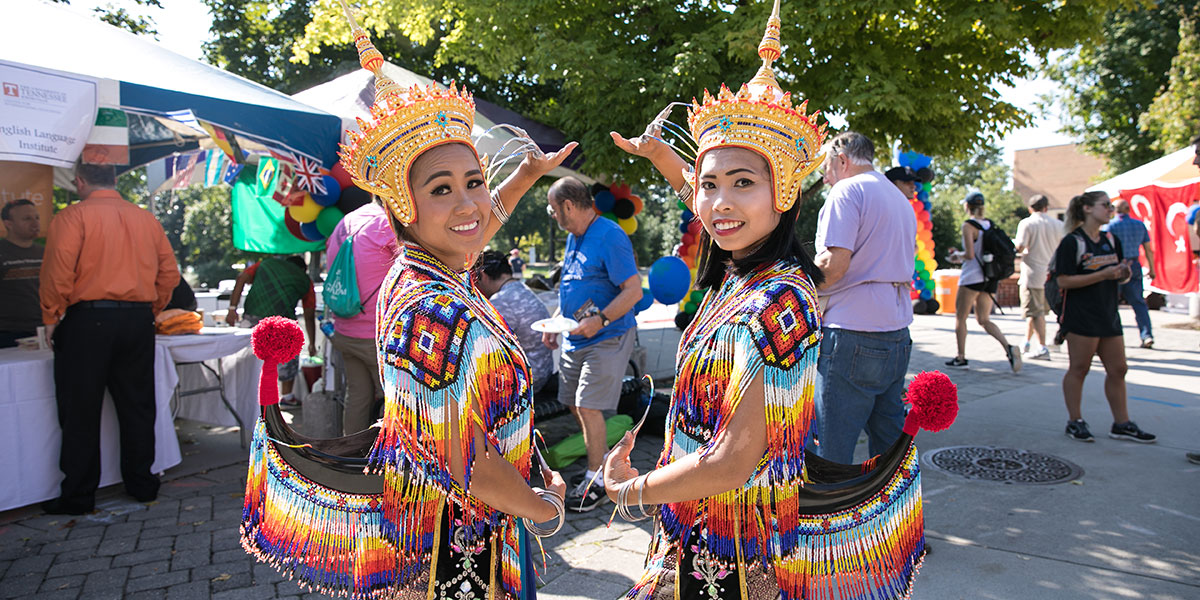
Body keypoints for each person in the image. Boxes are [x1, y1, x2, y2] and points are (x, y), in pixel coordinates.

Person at [239, 14, 575, 598]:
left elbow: (472, 223)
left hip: (461, 524)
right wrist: (542, 510)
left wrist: (521, 177)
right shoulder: (431, 303)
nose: (470, 202)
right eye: (441, 188)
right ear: (404, 205)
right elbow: (459, 457)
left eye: (474, 180)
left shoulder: (430, 266)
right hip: (455, 547)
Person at [604, 4, 931, 597]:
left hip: (731, 549)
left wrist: (631, 490)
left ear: (784, 194)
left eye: (744, 183)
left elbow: (733, 460)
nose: (719, 203)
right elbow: (714, 203)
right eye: (709, 185)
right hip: (697, 527)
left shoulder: (779, 299)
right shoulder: (742, 274)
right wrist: (662, 158)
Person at [39, 164, 179, 515]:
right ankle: (143, 484)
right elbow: (169, 273)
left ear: (81, 182)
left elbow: (58, 272)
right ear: (116, 181)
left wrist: (51, 315)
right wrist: (150, 308)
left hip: (88, 319)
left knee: (80, 409)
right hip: (136, 320)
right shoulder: (146, 220)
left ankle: (79, 495)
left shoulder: (71, 218)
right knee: (137, 405)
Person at [810, 131, 918, 463]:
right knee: (889, 451)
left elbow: (834, 265)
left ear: (841, 159)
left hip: (851, 333)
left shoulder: (846, 191)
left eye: (826, 168)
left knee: (832, 452)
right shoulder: (897, 195)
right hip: (897, 331)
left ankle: (830, 515)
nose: (825, 178)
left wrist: (794, 282)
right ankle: (890, 514)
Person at [543, 176, 642, 512]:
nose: (552, 215)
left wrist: (600, 320)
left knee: (588, 406)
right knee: (573, 403)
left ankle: (597, 477)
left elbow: (633, 291)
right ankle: (600, 458)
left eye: (552, 209)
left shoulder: (610, 236)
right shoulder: (575, 236)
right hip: (574, 338)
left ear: (568, 206)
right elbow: (573, 287)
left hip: (607, 336)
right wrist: (556, 321)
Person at [1055, 191, 1155, 444]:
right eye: (1105, 205)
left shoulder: (1111, 239)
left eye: (1111, 206)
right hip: (1081, 315)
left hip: (1108, 313)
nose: (1110, 210)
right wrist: (1103, 274)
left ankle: (1122, 424)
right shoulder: (1072, 242)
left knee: (1119, 369)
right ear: (1087, 209)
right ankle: (1074, 421)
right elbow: (1063, 280)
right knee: (1080, 368)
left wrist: (1123, 273)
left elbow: (1119, 274)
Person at [324, 198, 397, 434]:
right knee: (396, 403)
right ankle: (391, 461)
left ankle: (350, 455)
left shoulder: (346, 221)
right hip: (375, 335)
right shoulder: (387, 223)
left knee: (357, 396)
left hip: (344, 331)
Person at [225, 255, 317, 408]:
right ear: (303, 269)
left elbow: (241, 278)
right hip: (283, 323)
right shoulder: (305, 280)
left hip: (253, 318)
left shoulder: (265, 264)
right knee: (288, 357)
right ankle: (287, 396)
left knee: (249, 357)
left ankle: (245, 395)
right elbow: (309, 315)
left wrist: (232, 309)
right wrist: (312, 343)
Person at [945, 191, 1022, 372]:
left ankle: (961, 357)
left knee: (961, 318)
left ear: (967, 206)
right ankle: (1008, 347)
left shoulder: (968, 226)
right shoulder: (990, 225)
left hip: (972, 277)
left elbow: (970, 255)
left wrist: (957, 256)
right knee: (984, 319)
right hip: (990, 277)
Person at [475, 250, 554, 394]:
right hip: (543, 369)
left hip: (527, 380)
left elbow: (481, 346)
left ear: (483, 276)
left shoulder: (500, 301)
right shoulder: (523, 288)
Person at [1013, 194, 1062, 360]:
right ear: (1046, 208)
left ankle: (1042, 348)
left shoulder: (1027, 223)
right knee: (1036, 312)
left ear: (1030, 208)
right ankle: (1026, 342)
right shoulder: (1058, 225)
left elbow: (1019, 247)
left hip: (1032, 274)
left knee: (1035, 313)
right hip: (1051, 276)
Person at [1103, 198, 1156, 348]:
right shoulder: (1139, 225)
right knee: (1139, 303)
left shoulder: (1110, 226)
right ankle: (1146, 335)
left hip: (1116, 266)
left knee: (1111, 303)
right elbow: (1148, 249)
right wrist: (1152, 269)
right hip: (1134, 264)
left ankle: (1109, 336)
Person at [0, 199, 44, 347]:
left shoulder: (45, 252)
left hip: (43, 329)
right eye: (27, 219)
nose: (35, 223)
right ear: (8, 224)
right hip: (7, 332)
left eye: (37, 218)